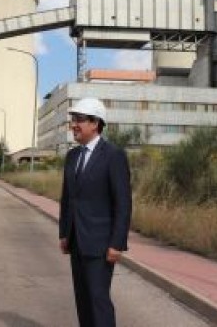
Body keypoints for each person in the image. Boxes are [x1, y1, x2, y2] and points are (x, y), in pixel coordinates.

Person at [59, 97, 132, 327]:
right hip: (76, 241)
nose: (74, 125)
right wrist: (64, 233)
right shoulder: (72, 156)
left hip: (101, 244)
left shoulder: (113, 155)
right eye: (73, 120)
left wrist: (117, 243)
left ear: (95, 123)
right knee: (82, 300)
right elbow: (68, 198)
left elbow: (123, 203)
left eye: (79, 120)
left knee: (98, 300)